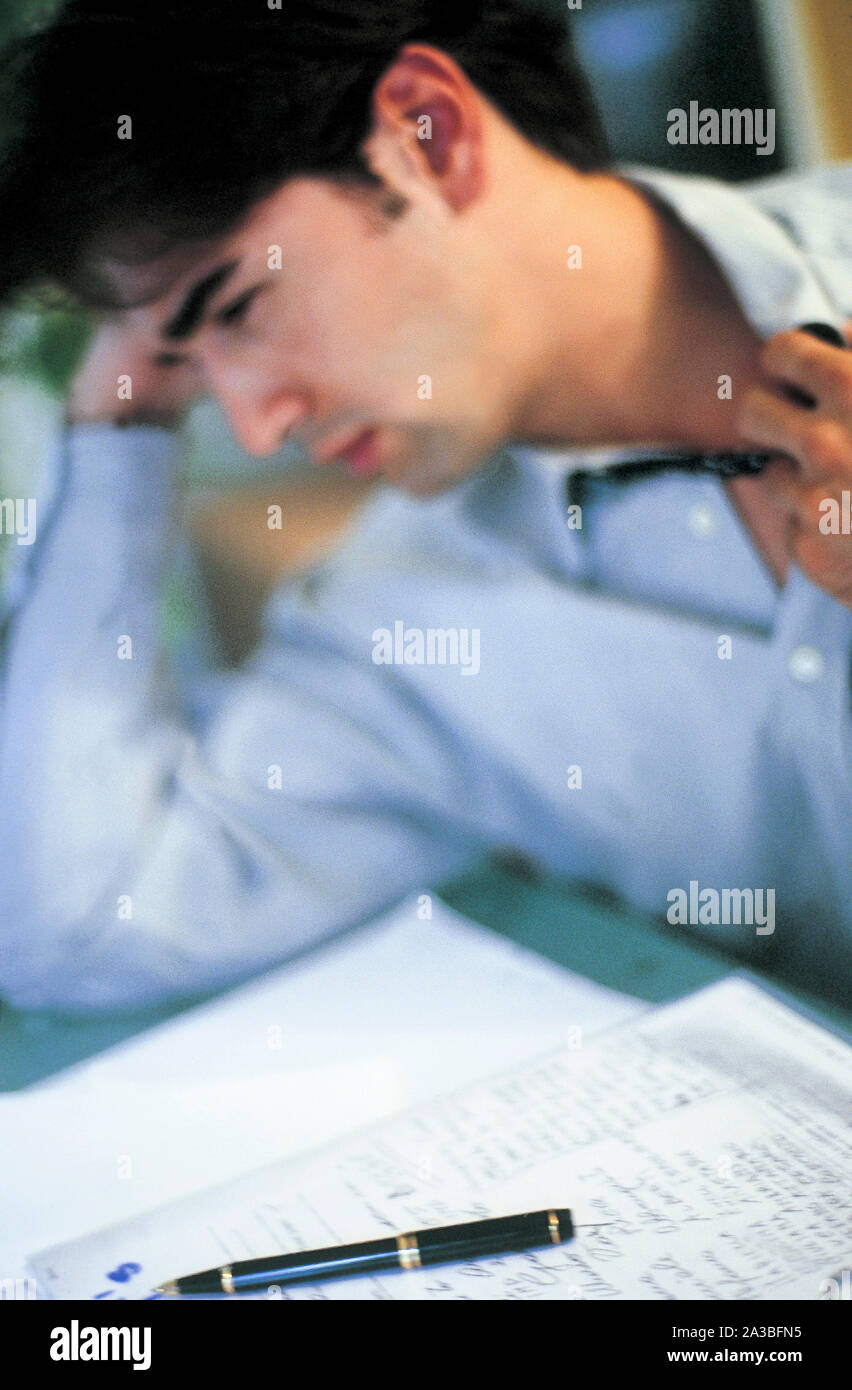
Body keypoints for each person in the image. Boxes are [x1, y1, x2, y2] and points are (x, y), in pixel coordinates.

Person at [0, 1, 850, 1012]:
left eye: (235, 308)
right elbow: (81, 932)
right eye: (188, 366)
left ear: (425, 134)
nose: (258, 426)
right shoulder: (403, 629)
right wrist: (120, 426)